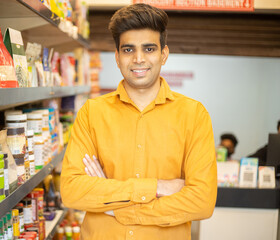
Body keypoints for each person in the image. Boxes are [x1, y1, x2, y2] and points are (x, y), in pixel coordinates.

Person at [60, 3, 217, 239]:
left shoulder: (194, 115)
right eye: (128, 50)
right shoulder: (92, 112)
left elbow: (201, 201)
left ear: (164, 54)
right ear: (117, 56)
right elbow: (72, 191)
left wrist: (116, 206)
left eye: (149, 49)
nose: (139, 59)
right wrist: (157, 187)